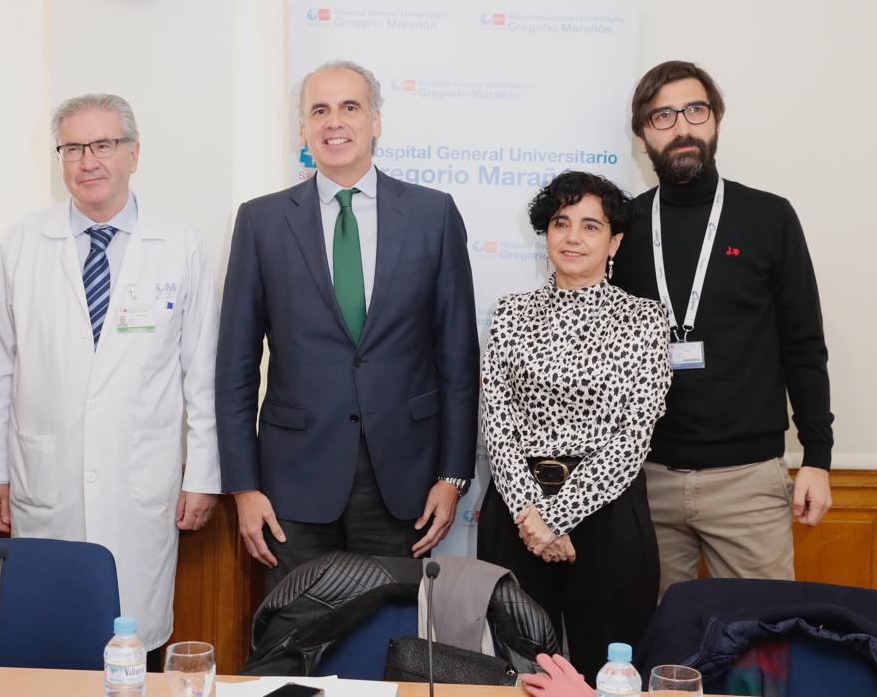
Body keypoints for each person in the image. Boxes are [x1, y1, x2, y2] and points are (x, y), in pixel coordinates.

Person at [0, 94, 220, 655]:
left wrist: (203, 474)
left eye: (103, 145)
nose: (88, 162)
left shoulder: (179, 244)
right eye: (73, 148)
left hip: (142, 480)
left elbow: (201, 371)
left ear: (133, 153)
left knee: (135, 639)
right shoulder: (23, 244)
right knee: (48, 638)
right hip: (44, 477)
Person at [216, 60, 479, 589]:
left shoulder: (433, 215)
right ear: (303, 131)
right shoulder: (261, 222)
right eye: (320, 110)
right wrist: (244, 488)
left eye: (350, 107)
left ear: (376, 121)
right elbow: (236, 367)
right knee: (292, 645)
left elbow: (458, 358)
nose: (334, 122)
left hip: (404, 482)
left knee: (389, 648)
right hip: (292, 487)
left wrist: (453, 478)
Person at [612, 61, 834, 594]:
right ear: (643, 136)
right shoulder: (624, 230)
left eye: (695, 110)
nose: (681, 126)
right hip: (646, 481)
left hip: (748, 482)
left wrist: (818, 459)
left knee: (759, 653)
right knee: (654, 651)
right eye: (662, 115)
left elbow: (804, 345)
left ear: (715, 122)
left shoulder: (770, 217)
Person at [477, 171, 672, 681]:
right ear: (545, 231)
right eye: (561, 223)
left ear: (616, 240)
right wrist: (529, 515)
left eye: (590, 225)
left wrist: (557, 518)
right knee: (519, 670)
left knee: (608, 669)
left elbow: (633, 436)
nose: (572, 237)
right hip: (515, 513)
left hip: (605, 514)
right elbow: (497, 422)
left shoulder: (644, 319)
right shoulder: (511, 314)